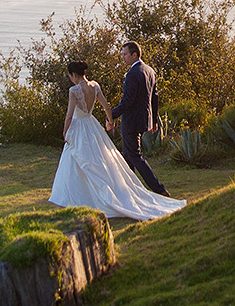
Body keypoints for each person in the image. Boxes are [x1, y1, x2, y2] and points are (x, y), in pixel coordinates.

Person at [48, 59, 184, 221]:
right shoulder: (95, 86)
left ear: (73, 75)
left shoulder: (74, 90)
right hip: (92, 125)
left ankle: (76, 195)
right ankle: (84, 193)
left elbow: (69, 115)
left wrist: (65, 131)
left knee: (78, 159)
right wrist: (110, 121)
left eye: (70, 76)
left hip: (79, 127)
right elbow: (106, 106)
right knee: (95, 160)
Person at [106, 40, 172, 196]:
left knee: (135, 156)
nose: (123, 58)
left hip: (132, 121)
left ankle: (159, 189)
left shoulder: (132, 74)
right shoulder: (150, 70)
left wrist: (110, 115)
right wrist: (153, 120)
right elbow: (155, 97)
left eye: (125, 54)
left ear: (134, 55)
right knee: (127, 157)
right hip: (143, 120)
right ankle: (129, 190)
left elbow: (127, 101)